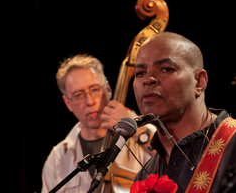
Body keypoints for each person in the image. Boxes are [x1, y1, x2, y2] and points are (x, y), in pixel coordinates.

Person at [133, 32, 236, 192]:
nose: (148, 79)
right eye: (140, 73)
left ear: (199, 82)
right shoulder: (145, 174)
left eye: (166, 69)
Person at [41, 54, 156, 193]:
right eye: (78, 95)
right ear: (68, 103)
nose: (89, 101)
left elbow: (177, 159)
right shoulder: (57, 158)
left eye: (94, 89)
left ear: (108, 89)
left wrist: (136, 129)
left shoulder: (145, 134)